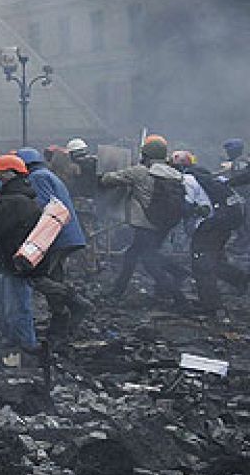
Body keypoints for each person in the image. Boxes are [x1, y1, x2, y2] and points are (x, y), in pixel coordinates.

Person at [16, 148, 93, 340]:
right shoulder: (47, 175)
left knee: (38, 277)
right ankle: (61, 321)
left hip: (54, 236)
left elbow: (43, 207)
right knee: (54, 277)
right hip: (64, 234)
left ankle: (76, 303)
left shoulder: (37, 178)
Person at [102, 135, 189, 304]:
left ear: (146, 154)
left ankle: (179, 297)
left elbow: (108, 179)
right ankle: (117, 292)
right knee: (133, 255)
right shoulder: (174, 174)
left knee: (150, 262)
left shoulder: (140, 171)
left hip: (147, 224)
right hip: (165, 224)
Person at [0, 155, 42, 364]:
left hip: (15, 262)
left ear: (9, 174)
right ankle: (12, 341)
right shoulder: (27, 198)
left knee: (18, 305)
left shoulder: (10, 201)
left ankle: (27, 347)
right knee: (4, 303)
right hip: (20, 260)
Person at [174, 151, 246, 309]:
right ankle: (241, 280)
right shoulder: (205, 175)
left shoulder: (187, 179)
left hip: (211, 225)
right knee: (214, 259)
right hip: (225, 221)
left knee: (201, 262)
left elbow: (187, 206)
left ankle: (211, 305)